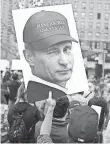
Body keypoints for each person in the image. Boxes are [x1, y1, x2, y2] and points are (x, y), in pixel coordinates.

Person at [23, 10, 78, 103]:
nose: (64, 62)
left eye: (67, 49)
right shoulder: (44, 105)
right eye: (52, 52)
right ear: (29, 57)